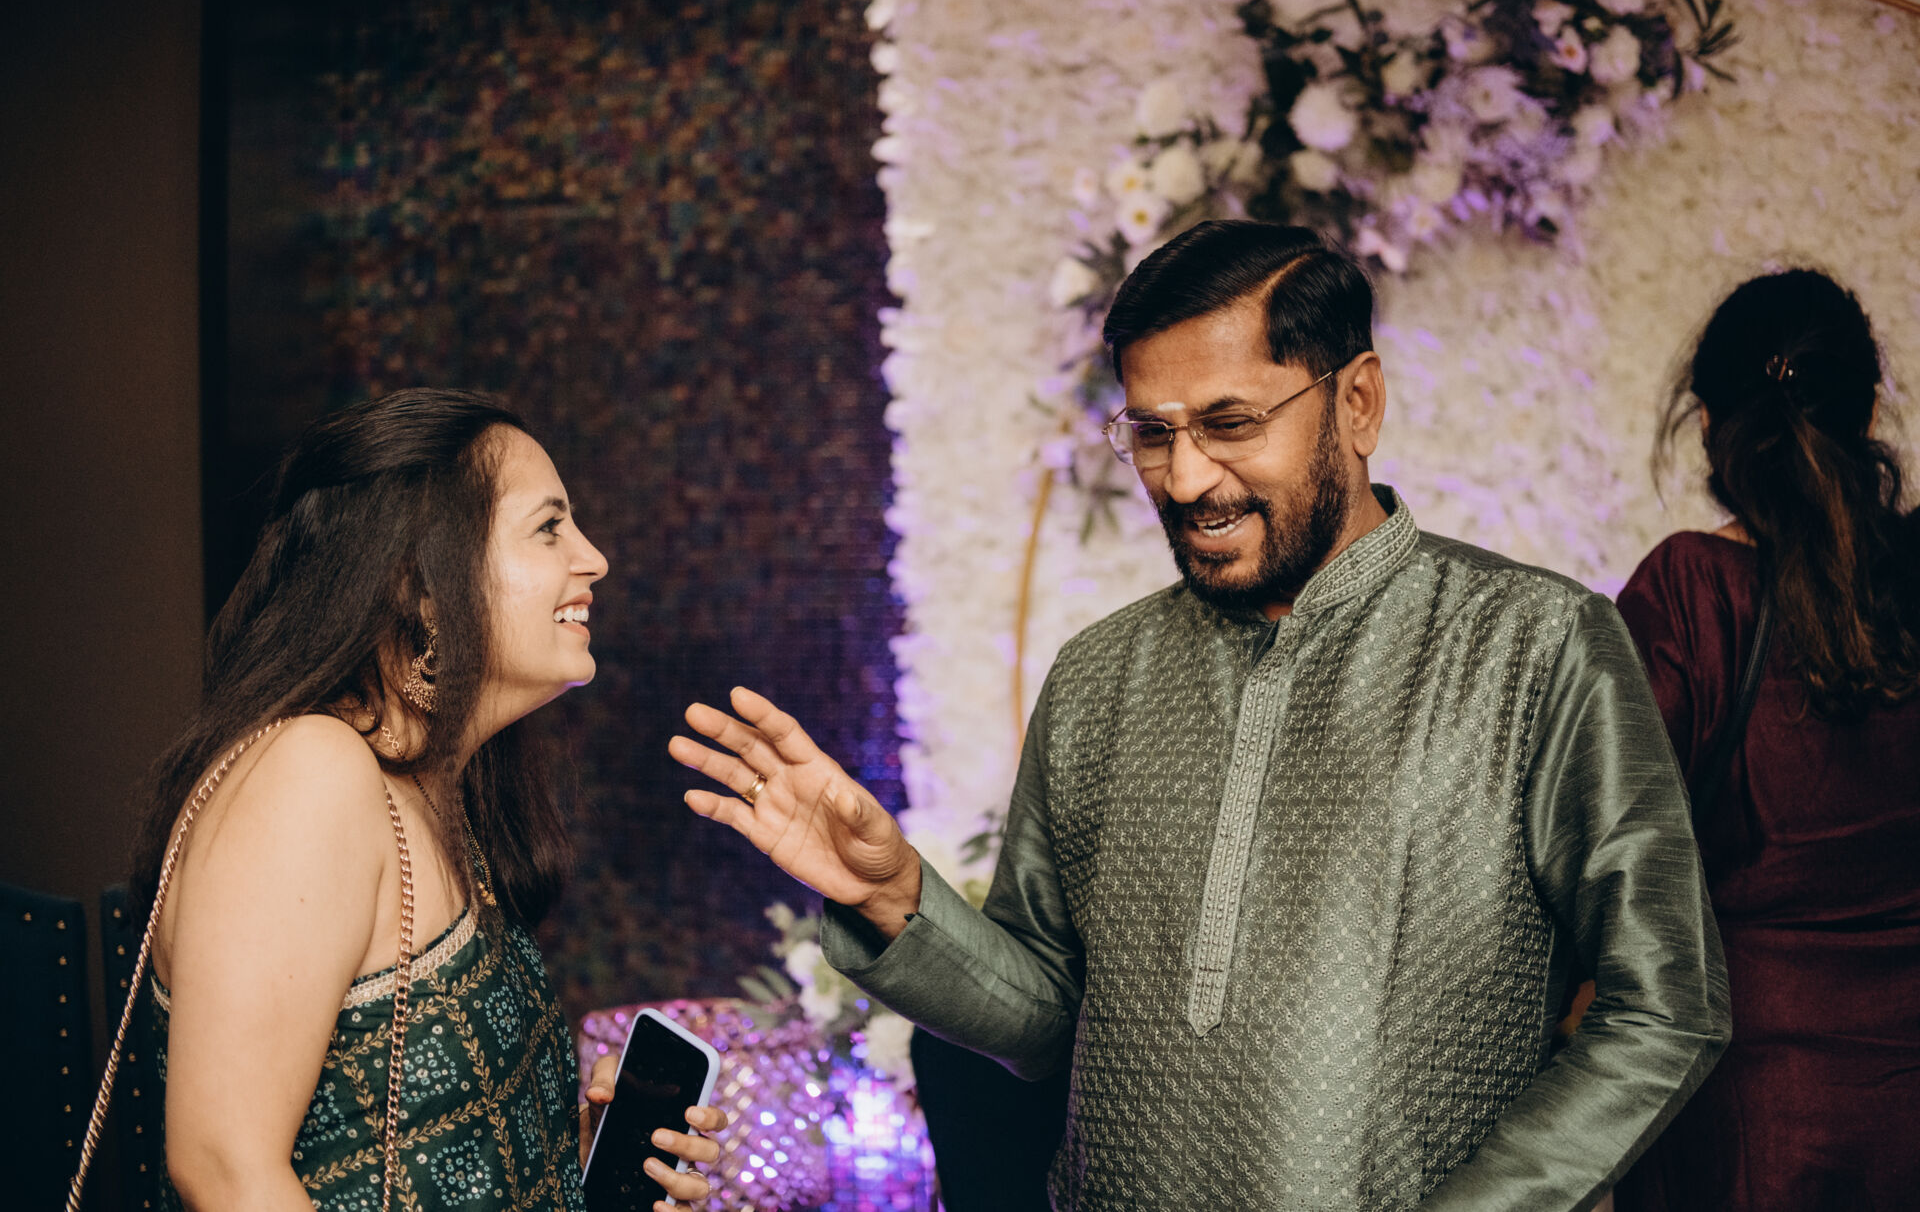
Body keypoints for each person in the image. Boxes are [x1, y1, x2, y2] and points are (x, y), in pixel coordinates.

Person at [672, 220, 1730, 1210]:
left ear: (1358, 403)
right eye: (1151, 433)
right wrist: (895, 897)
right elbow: (1044, 1022)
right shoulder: (1100, 676)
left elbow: (1665, 1007)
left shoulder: (1535, 648)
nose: (1185, 480)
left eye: (1230, 424)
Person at [125, 390, 725, 1211]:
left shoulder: (433, 792)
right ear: (421, 584)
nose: (594, 559)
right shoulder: (309, 769)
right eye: (549, 527)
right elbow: (223, 1167)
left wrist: (560, 1158)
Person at [1611, 270, 1920, 1211]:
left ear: (1707, 424)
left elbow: (1603, 862)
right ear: (1870, 411)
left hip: (1751, 1130)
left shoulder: (1690, 594)